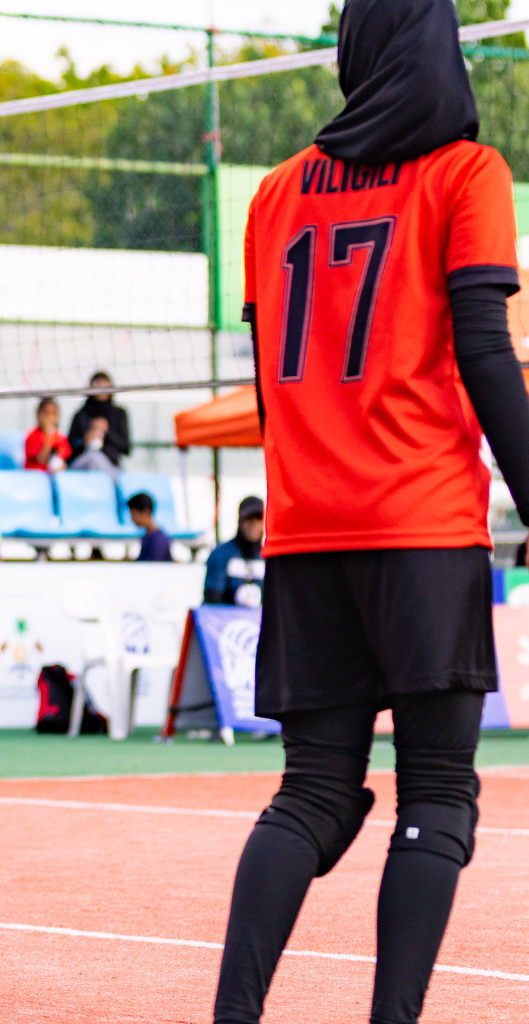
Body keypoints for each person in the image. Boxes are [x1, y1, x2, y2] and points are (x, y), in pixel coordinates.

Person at [214, 4, 529, 1023]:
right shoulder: (466, 172)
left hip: (305, 531)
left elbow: (269, 383)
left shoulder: (274, 192)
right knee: (436, 794)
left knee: (311, 791)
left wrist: (305, 482)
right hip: (423, 525)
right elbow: (486, 350)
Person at [204, 497, 265, 606]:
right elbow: (212, 601)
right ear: (240, 521)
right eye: (249, 518)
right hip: (224, 615)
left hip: (259, 616)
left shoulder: (268, 558)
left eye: (259, 519)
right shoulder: (221, 554)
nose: (254, 524)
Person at [66, 371, 130, 467]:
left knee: (96, 459)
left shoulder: (119, 414)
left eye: (104, 385)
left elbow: (126, 447)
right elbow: (70, 446)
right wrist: (84, 440)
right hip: (84, 461)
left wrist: (107, 431)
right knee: (92, 458)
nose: (101, 388)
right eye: (98, 384)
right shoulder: (81, 414)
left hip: (110, 464)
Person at [23, 397, 71, 472]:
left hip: (53, 475)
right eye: (46, 413)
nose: (49, 417)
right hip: (35, 474)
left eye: (53, 413)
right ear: (38, 414)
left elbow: (64, 457)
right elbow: (41, 459)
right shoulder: (32, 436)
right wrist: (49, 437)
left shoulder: (60, 436)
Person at [127, 492, 172, 562]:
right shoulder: (148, 536)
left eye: (133, 514)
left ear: (146, 512)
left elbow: (152, 566)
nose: (132, 518)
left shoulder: (159, 540)